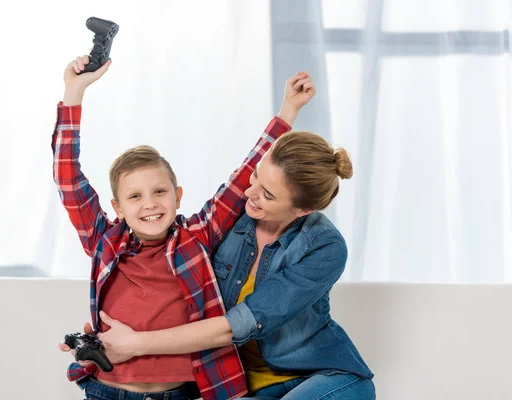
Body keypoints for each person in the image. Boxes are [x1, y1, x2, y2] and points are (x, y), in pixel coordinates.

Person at [54, 53, 316, 400]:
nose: (149, 203)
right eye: (135, 196)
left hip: (177, 393)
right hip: (109, 391)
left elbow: (243, 178)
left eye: (160, 191)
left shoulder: (196, 237)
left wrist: (288, 113)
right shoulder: (105, 241)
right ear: (117, 207)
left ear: (177, 196)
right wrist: (74, 92)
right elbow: (68, 180)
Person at [84, 94, 376, 399]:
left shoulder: (325, 247)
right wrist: (110, 337)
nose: (250, 192)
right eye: (256, 178)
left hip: (318, 376)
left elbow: (236, 325)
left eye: (267, 194)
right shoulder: (231, 219)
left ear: (303, 210)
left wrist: (135, 343)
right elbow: (168, 288)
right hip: (241, 385)